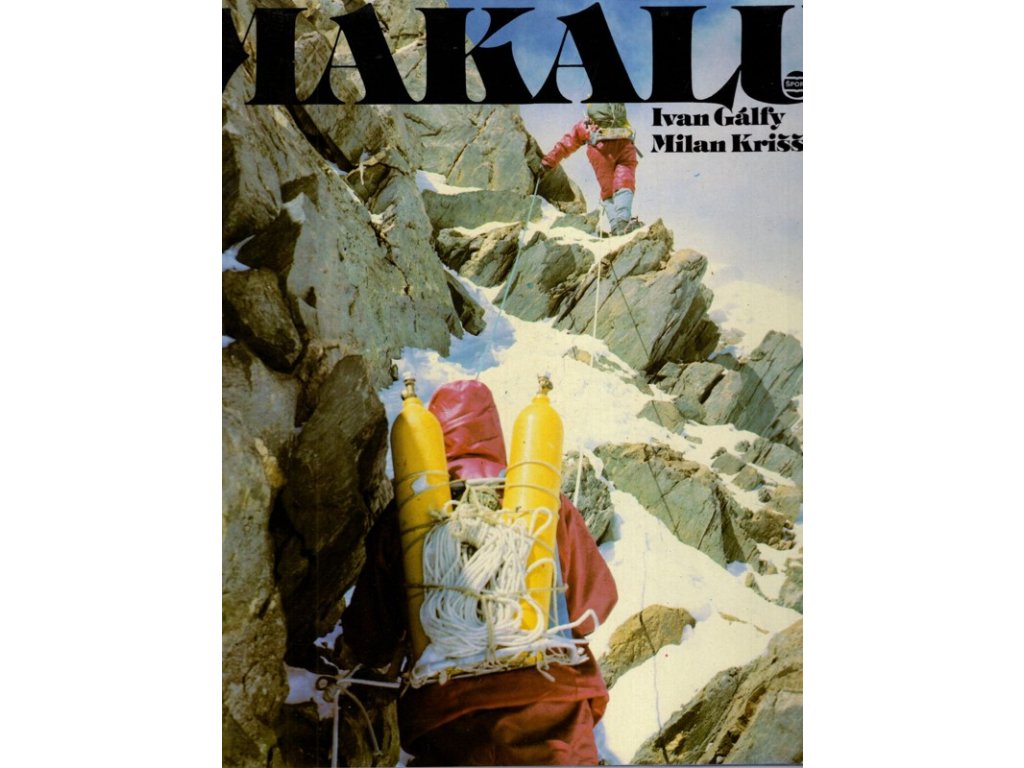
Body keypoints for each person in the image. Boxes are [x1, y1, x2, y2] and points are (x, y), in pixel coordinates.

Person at [343, 379, 618, 766]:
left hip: (451, 716)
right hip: (555, 707)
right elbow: (595, 605)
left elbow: (370, 637)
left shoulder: (407, 515)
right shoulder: (543, 501)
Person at [540, 103, 642, 236]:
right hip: (625, 144)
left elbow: (567, 143)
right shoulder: (620, 119)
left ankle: (616, 226)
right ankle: (623, 221)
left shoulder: (586, 124)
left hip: (600, 150)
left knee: (608, 190)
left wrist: (548, 162)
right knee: (624, 181)